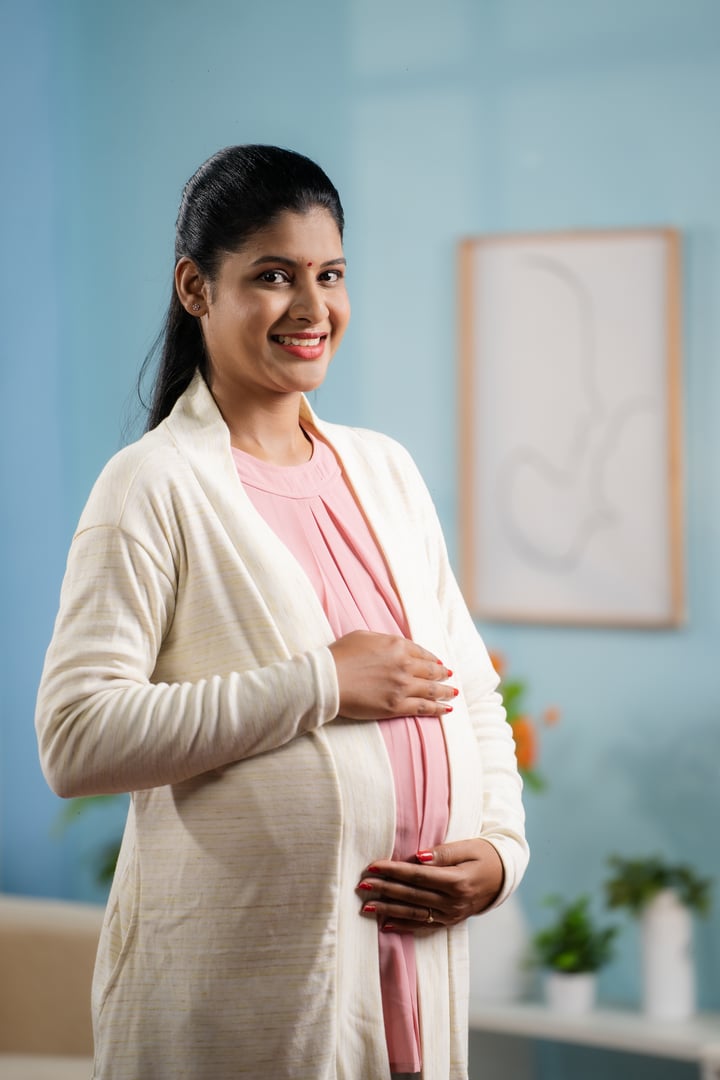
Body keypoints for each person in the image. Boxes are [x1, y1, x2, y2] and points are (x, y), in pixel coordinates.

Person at [35, 144, 528, 1080]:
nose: (312, 308)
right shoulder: (152, 486)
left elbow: (470, 693)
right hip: (246, 1003)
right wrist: (321, 683)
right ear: (196, 288)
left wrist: (502, 853)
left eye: (330, 275)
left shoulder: (383, 471)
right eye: (273, 276)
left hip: (412, 983)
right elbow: (76, 738)